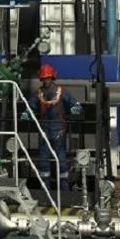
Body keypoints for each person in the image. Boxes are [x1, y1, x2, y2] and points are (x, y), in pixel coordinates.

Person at [32, 63, 82, 195]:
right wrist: (26, 114)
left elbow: (75, 104)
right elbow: (30, 107)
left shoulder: (61, 92)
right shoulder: (38, 93)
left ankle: (64, 192)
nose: (45, 80)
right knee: (43, 163)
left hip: (58, 132)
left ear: (52, 78)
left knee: (62, 162)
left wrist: (76, 110)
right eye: (43, 78)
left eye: (47, 78)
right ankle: (45, 192)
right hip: (44, 132)